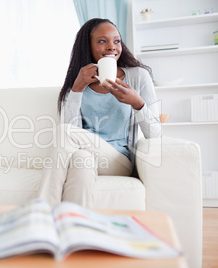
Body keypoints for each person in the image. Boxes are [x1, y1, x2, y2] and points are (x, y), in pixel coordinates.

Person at [38, 18, 161, 209]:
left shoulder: (138, 76)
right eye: (102, 41)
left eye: (117, 41)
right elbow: (72, 134)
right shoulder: (78, 82)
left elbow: (156, 134)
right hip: (86, 154)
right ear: (88, 46)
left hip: (118, 160)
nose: (111, 47)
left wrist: (137, 104)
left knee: (63, 131)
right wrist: (77, 89)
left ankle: (42, 211)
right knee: (81, 160)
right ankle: (75, 226)